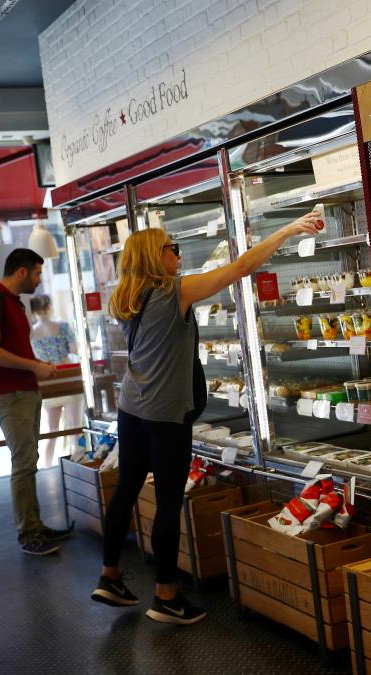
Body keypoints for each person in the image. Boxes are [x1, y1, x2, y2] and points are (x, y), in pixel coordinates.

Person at [92, 213, 322, 625]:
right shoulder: (173, 293)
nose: (177, 256)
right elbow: (240, 268)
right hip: (165, 414)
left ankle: (109, 575)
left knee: (126, 489)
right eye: (170, 249)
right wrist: (286, 231)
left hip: (133, 408)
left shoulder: (126, 297)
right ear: (153, 256)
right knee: (166, 502)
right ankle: (166, 596)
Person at [0, 249, 71, 556]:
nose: (40, 280)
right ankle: (28, 533)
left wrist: (35, 366)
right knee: (23, 462)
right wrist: (34, 366)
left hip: (24, 390)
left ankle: (34, 524)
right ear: (21, 272)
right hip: (8, 393)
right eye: (37, 273)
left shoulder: (13, 303)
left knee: (27, 460)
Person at [29, 294, 82, 468]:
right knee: (75, 427)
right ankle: (78, 464)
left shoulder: (32, 333)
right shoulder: (63, 326)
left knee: (52, 432)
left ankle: (47, 466)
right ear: (50, 307)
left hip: (48, 383)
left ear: (34, 310)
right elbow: (75, 350)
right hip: (68, 378)